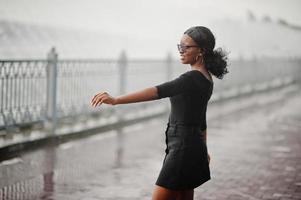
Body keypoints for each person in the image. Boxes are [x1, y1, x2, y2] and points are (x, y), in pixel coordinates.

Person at [91, 26, 228, 200]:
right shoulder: (206, 78)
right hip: (191, 146)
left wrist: (116, 100)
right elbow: (201, 120)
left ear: (201, 50)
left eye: (186, 47)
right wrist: (203, 150)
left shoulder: (191, 79)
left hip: (183, 148)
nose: (181, 51)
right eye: (179, 46)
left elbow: (157, 91)